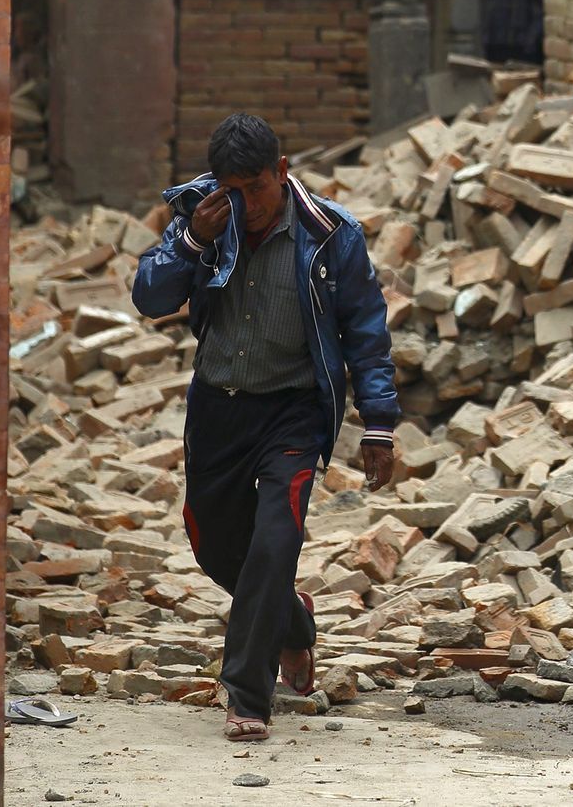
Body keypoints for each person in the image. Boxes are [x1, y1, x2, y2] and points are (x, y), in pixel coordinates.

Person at [132, 113, 400, 742]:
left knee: (276, 540)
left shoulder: (331, 234)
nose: (246, 204)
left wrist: (379, 424)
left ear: (282, 172)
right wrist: (194, 242)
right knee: (213, 542)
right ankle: (294, 624)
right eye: (233, 190)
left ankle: (248, 695)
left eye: (256, 187)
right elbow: (148, 297)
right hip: (220, 408)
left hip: (296, 412)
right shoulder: (201, 220)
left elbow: (367, 332)